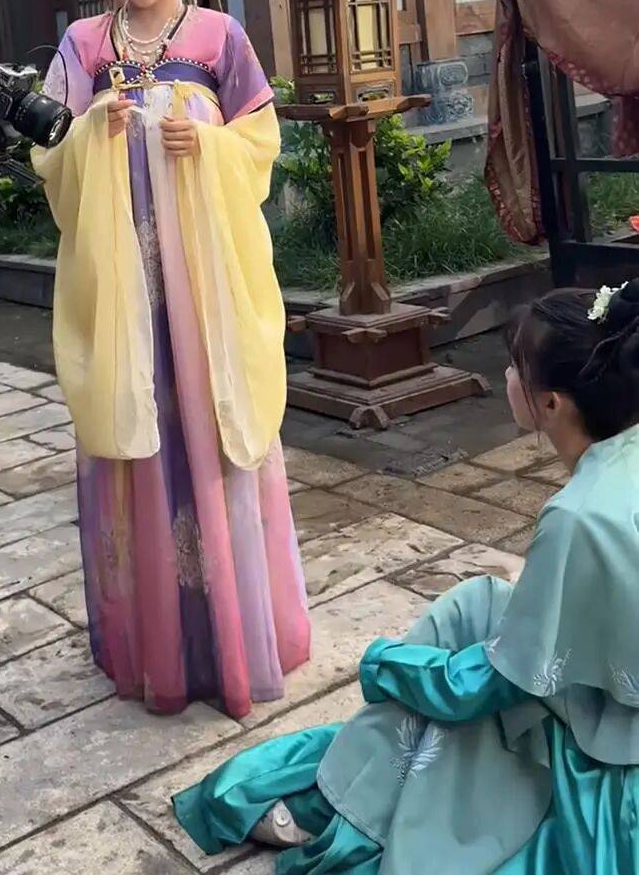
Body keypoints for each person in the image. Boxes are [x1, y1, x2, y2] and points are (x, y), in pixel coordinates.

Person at [172, 279, 639, 873]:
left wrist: (386, 664)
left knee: (442, 704)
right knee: (473, 605)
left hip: (609, 742)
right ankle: (339, 795)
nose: (505, 378)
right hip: (607, 685)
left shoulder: (576, 517)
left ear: (550, 404)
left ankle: (339, 808)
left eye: (514, 367)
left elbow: (501, 683)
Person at [32, 0, 310, 720]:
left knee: (212, 419)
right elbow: (47, 151)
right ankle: (154, 644)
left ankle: (237, 635)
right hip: (125, 292)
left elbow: (261, 144)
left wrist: (213, 143)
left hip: (204, 288)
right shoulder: (83, 46)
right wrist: (92, 131)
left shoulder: (220, 37)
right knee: (139, 426)